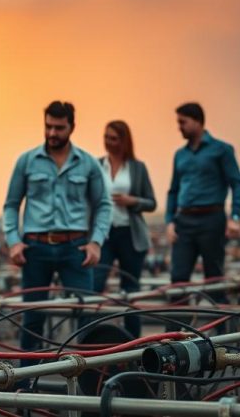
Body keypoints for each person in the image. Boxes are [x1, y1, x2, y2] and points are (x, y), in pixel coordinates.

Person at [2, 101, 112, 360]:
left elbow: (103, 205)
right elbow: (11, 205)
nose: (52, 133)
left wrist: (96, 242)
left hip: (75, 248)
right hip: (35, 248)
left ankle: (88, 385)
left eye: (59, 128)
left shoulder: (87, 163)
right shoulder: (27, 161)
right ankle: (26, 385)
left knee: (86, 315)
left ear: (72, 127)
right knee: (32, 319)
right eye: (48, 127)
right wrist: (13, 241)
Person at [165, 102, 240, 293]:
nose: (179, 127)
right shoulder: (180, 155)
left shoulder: (222, 150)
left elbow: (237, 183)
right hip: (184, 221)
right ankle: (176, 323)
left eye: (183, 122)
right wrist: (169, 222)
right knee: (178, 280)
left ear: (197, 121)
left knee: (214, 279)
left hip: (211, 219)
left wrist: (235, 218)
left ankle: (219, 322)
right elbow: (173, 190)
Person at [92, 120, 157, 337]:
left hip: (130, 234)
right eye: (106, 137)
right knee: (94, 286)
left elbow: (151, 202)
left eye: (113, 138)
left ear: (123, 141)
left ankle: (132, 345)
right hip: (104, 235)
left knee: (131, 292)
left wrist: (131, 201)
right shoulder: (97, 165)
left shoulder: (137, 168)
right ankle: (92, 339)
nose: (108, 143)